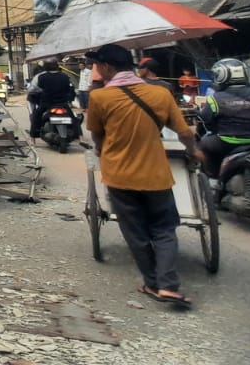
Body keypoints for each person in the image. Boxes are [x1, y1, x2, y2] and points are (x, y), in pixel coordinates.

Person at [84, 43, 201, 309]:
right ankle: (168, 285)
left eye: (99, 65)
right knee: (164, 229)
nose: (97, 70)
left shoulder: (100, 98)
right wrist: (193, 151)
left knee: (135, 233)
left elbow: (97, 136)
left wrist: (101, 149)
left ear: (108, 67)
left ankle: (151, 282)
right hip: (156, 174)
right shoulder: (159, 94)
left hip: (119, 176)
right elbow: (184, 133)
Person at [197, 58, 250, 178]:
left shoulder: (214, 99)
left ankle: (215, 178)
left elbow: (207, 122)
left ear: (221, 77)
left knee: (204, 143)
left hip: (229, 143)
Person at [26, 58, 75, 140]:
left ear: (45, 67)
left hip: (46, 103)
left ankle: (33, 137)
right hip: (62, 104)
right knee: (73, 118)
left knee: (36, 116)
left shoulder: (42, 77)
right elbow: (68, 89)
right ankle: (80, 137)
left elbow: (33, 89)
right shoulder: (64, 76)